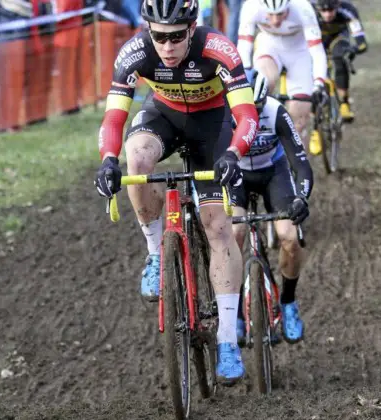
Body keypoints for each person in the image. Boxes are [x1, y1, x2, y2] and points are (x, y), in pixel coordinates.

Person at [93, 0, 259, 385]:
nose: (167, 47)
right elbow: (114, 116)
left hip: (212, 124)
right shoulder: (134, 52)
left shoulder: (219, 49)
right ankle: (155, 254)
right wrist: (107, 160)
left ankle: (229, 341)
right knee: (135, 160)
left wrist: (235, 153)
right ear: (148, 29)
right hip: (163, 117)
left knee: (217, 226)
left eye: (177, 37)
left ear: (192, 28)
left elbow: (247, 115)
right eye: (159, 37)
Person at [232, 70, 313, 344]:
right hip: (237, 177)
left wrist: (302, 198)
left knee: (290, 239)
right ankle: (235, 314)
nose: (252, 118)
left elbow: (301, 163)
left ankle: (288, 302)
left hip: (273, 173)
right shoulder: (220, 111)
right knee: (233, 235)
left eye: (256, 109)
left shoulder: (277, 112)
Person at [236, 0, 328, 157]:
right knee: (262, 86)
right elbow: (244, 47)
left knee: (298, 116)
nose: (275, 21)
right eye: (270, 15)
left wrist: (319, 83)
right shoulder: (251, 7)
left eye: (280, 14)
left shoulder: (302, 8)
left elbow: (317, 52)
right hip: (269, 47)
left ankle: (297, 168)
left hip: (299, 53)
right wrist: (243, 78)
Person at [312, 0, 367, 123]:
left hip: (338, 39)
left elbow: (360, 41)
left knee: (340, 57)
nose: (327, 15)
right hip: (315, 39)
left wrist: (355, 48)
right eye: (323, 10)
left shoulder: (348, 10)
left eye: (331, 10)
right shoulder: (308, 10)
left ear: (337, 6)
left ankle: (344, 103)